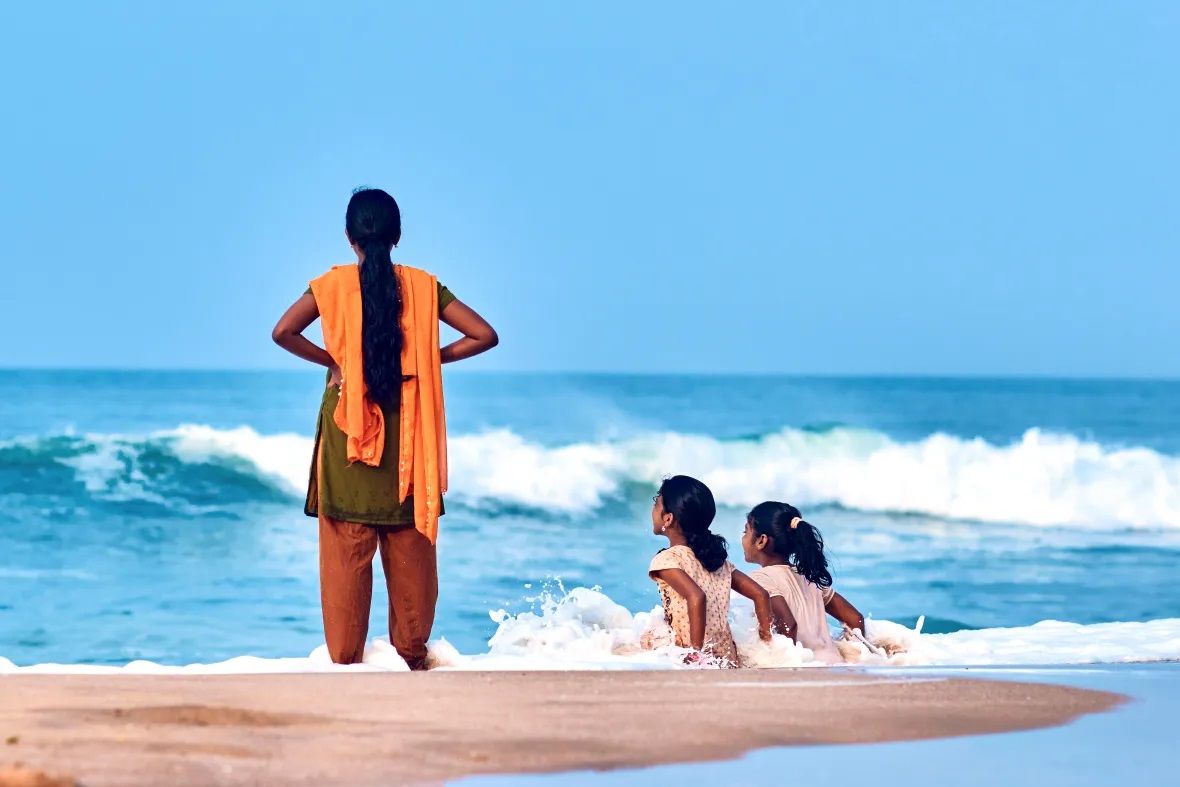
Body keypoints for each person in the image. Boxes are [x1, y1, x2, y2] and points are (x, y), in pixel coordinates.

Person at [271, 187, 498, 669]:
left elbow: (283, 332)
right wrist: (428, 360)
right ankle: (411, 658)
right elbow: (483, 335)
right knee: (410, 549)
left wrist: (335, 364)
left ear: (349, 236)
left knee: (345, 555)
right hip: (409, 437)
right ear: (397, 236)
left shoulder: (330, 286)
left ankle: (346, 661)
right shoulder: (424, 287)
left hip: (348, 436)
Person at [646, 475, 771, 667]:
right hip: (728, 657)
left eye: (656, 503)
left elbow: (696, 596)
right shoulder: (717, 561)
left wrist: (695, 653)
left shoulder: (667, 560)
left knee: (646, 641)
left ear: (668, 518)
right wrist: (768, 644)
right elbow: (761, 595)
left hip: (695, 660)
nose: (652, 509)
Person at [741, 501, 865, 664]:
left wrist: (785, 666)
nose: (743, 538)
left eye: (746, 531)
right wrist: (856, 656)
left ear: (761, 541)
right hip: (835, 662)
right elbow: (856, 619)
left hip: (808, 667)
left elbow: (788, 626)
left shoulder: (761, 578)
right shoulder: (809, 577)